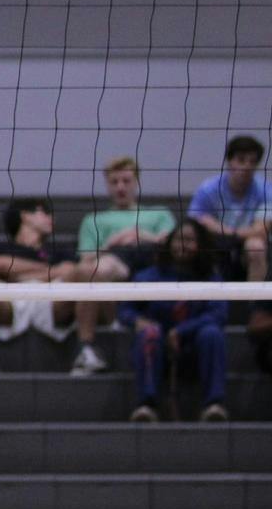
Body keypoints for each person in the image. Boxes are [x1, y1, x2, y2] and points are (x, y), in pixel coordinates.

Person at [70, 157, 177, 375]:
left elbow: (175, 245)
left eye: (126, 181)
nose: (120, 187)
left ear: (136, 182)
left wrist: (141, 235)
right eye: (114, 181)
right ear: (107, 185)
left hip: (153, 260)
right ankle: (86, 348)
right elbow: (85, 261)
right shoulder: (94, 220)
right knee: (85, 271)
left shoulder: (159, 214)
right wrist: (112, 243)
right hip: (116, 261)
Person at [121, 222, 230, 423]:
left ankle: (214, 405)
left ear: (200, 245)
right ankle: (146, 406)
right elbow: (125, 309)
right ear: (170, 242)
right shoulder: (148, 277)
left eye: (190, 240)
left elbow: (219, 313)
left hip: (194, 348)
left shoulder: (210, 278)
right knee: (149, 333)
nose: (183, 245)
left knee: (212, 333)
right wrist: (137, 320)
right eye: (179, 239)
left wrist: (181, 331)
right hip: (158, 348)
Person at [0, 198, 79, 374]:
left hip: (51, 298)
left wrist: (19, 274)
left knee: (84, 274)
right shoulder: (0, 247)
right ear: (25, 216)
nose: (51, 218)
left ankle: (85, 352)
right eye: (44, 213)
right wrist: (50, 270)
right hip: (10, 300)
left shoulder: (59, 250)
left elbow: (71, 271)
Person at [187, 135, 269, 283]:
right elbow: (194, 223)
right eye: (241, 160)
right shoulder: (208, 189)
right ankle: (210, 300)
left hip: (246, 243)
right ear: (229, 161)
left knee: (256, 246)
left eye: (252, 161)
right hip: (216, 243)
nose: (246, 166)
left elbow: (261, 230)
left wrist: (223, 230)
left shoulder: (265, 190)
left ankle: (254, 302)